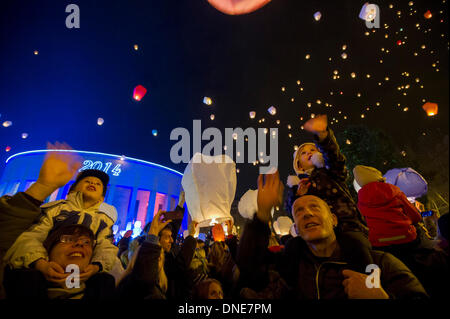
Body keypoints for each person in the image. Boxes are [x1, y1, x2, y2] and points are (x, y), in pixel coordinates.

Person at [237, 171, 428, 299]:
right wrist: (262, 215)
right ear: (296, 228)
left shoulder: (379, 264)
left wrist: (380, 297)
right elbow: (250, 268)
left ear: (334, 219)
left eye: (314, 207)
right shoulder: (289, 270)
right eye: (300, 211)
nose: (308, 213)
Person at [4, 147, 119, 283]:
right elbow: (32, 236)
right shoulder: (55, 209)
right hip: (46, 267)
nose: (93, 183)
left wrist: (96, 266)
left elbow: (106, 247)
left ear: (101, 198)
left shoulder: (104, 220)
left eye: (98, 184)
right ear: (72, 190)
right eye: (87, 181)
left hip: (80, 272)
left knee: (101, 282)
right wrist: (40, 263)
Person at [285, 115, 371, 272]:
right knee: (292, 247)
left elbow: (334, 158)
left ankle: (370, 284)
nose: (309, 152)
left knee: (357, 248)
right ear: (298, 164)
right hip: (315, 232)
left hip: (347, 226)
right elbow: (290, 209)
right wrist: (298, 196)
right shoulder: (297, 186)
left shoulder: (331, 172)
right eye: (303, 153)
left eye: (313, 149)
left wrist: (323, 138)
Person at [3, 224, 116, 299]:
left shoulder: (103, 289)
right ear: (49, 248)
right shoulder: (17, 284)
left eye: (86, 242)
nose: (79, 243)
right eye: (68, 239)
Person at [353, 165, 422, 248]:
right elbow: (415, 216)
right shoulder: (395, 192)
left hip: (379, 244)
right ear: (379, 178)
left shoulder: (360, 202)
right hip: (406, 238)